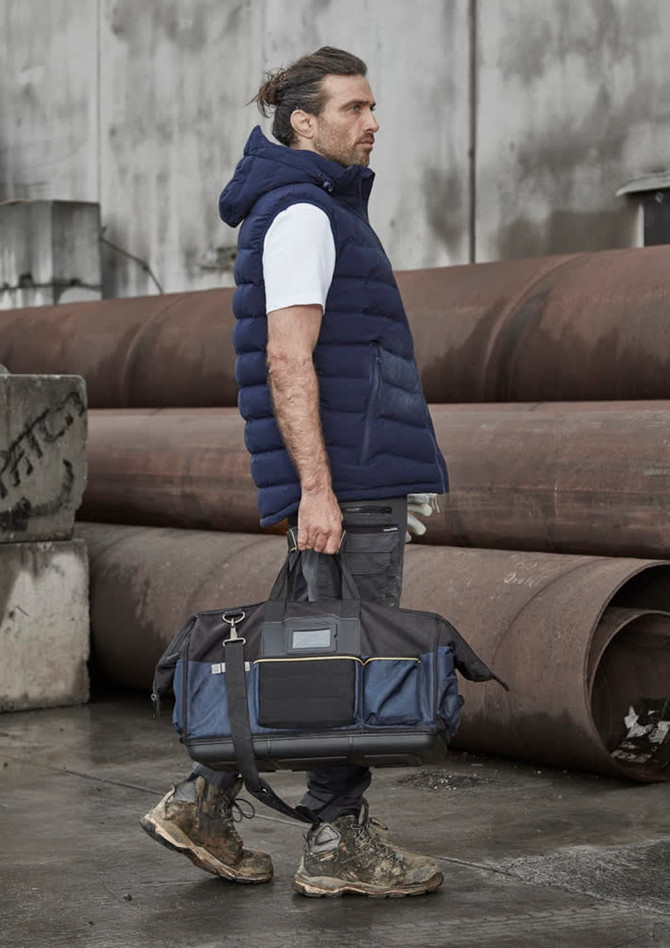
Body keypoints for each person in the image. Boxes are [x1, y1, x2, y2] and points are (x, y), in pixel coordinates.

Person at [141, 46, 448, 899]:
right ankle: (338, 842)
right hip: (344, 484)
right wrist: (321, 489)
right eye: (353, 108)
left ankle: (206, 802)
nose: (373, 122)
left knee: (298, 647)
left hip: (352, 476)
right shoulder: (305, 214)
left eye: (373, 106)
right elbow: (288, 358)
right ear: (302, 123)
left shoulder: (316, 210)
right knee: (353, 664)